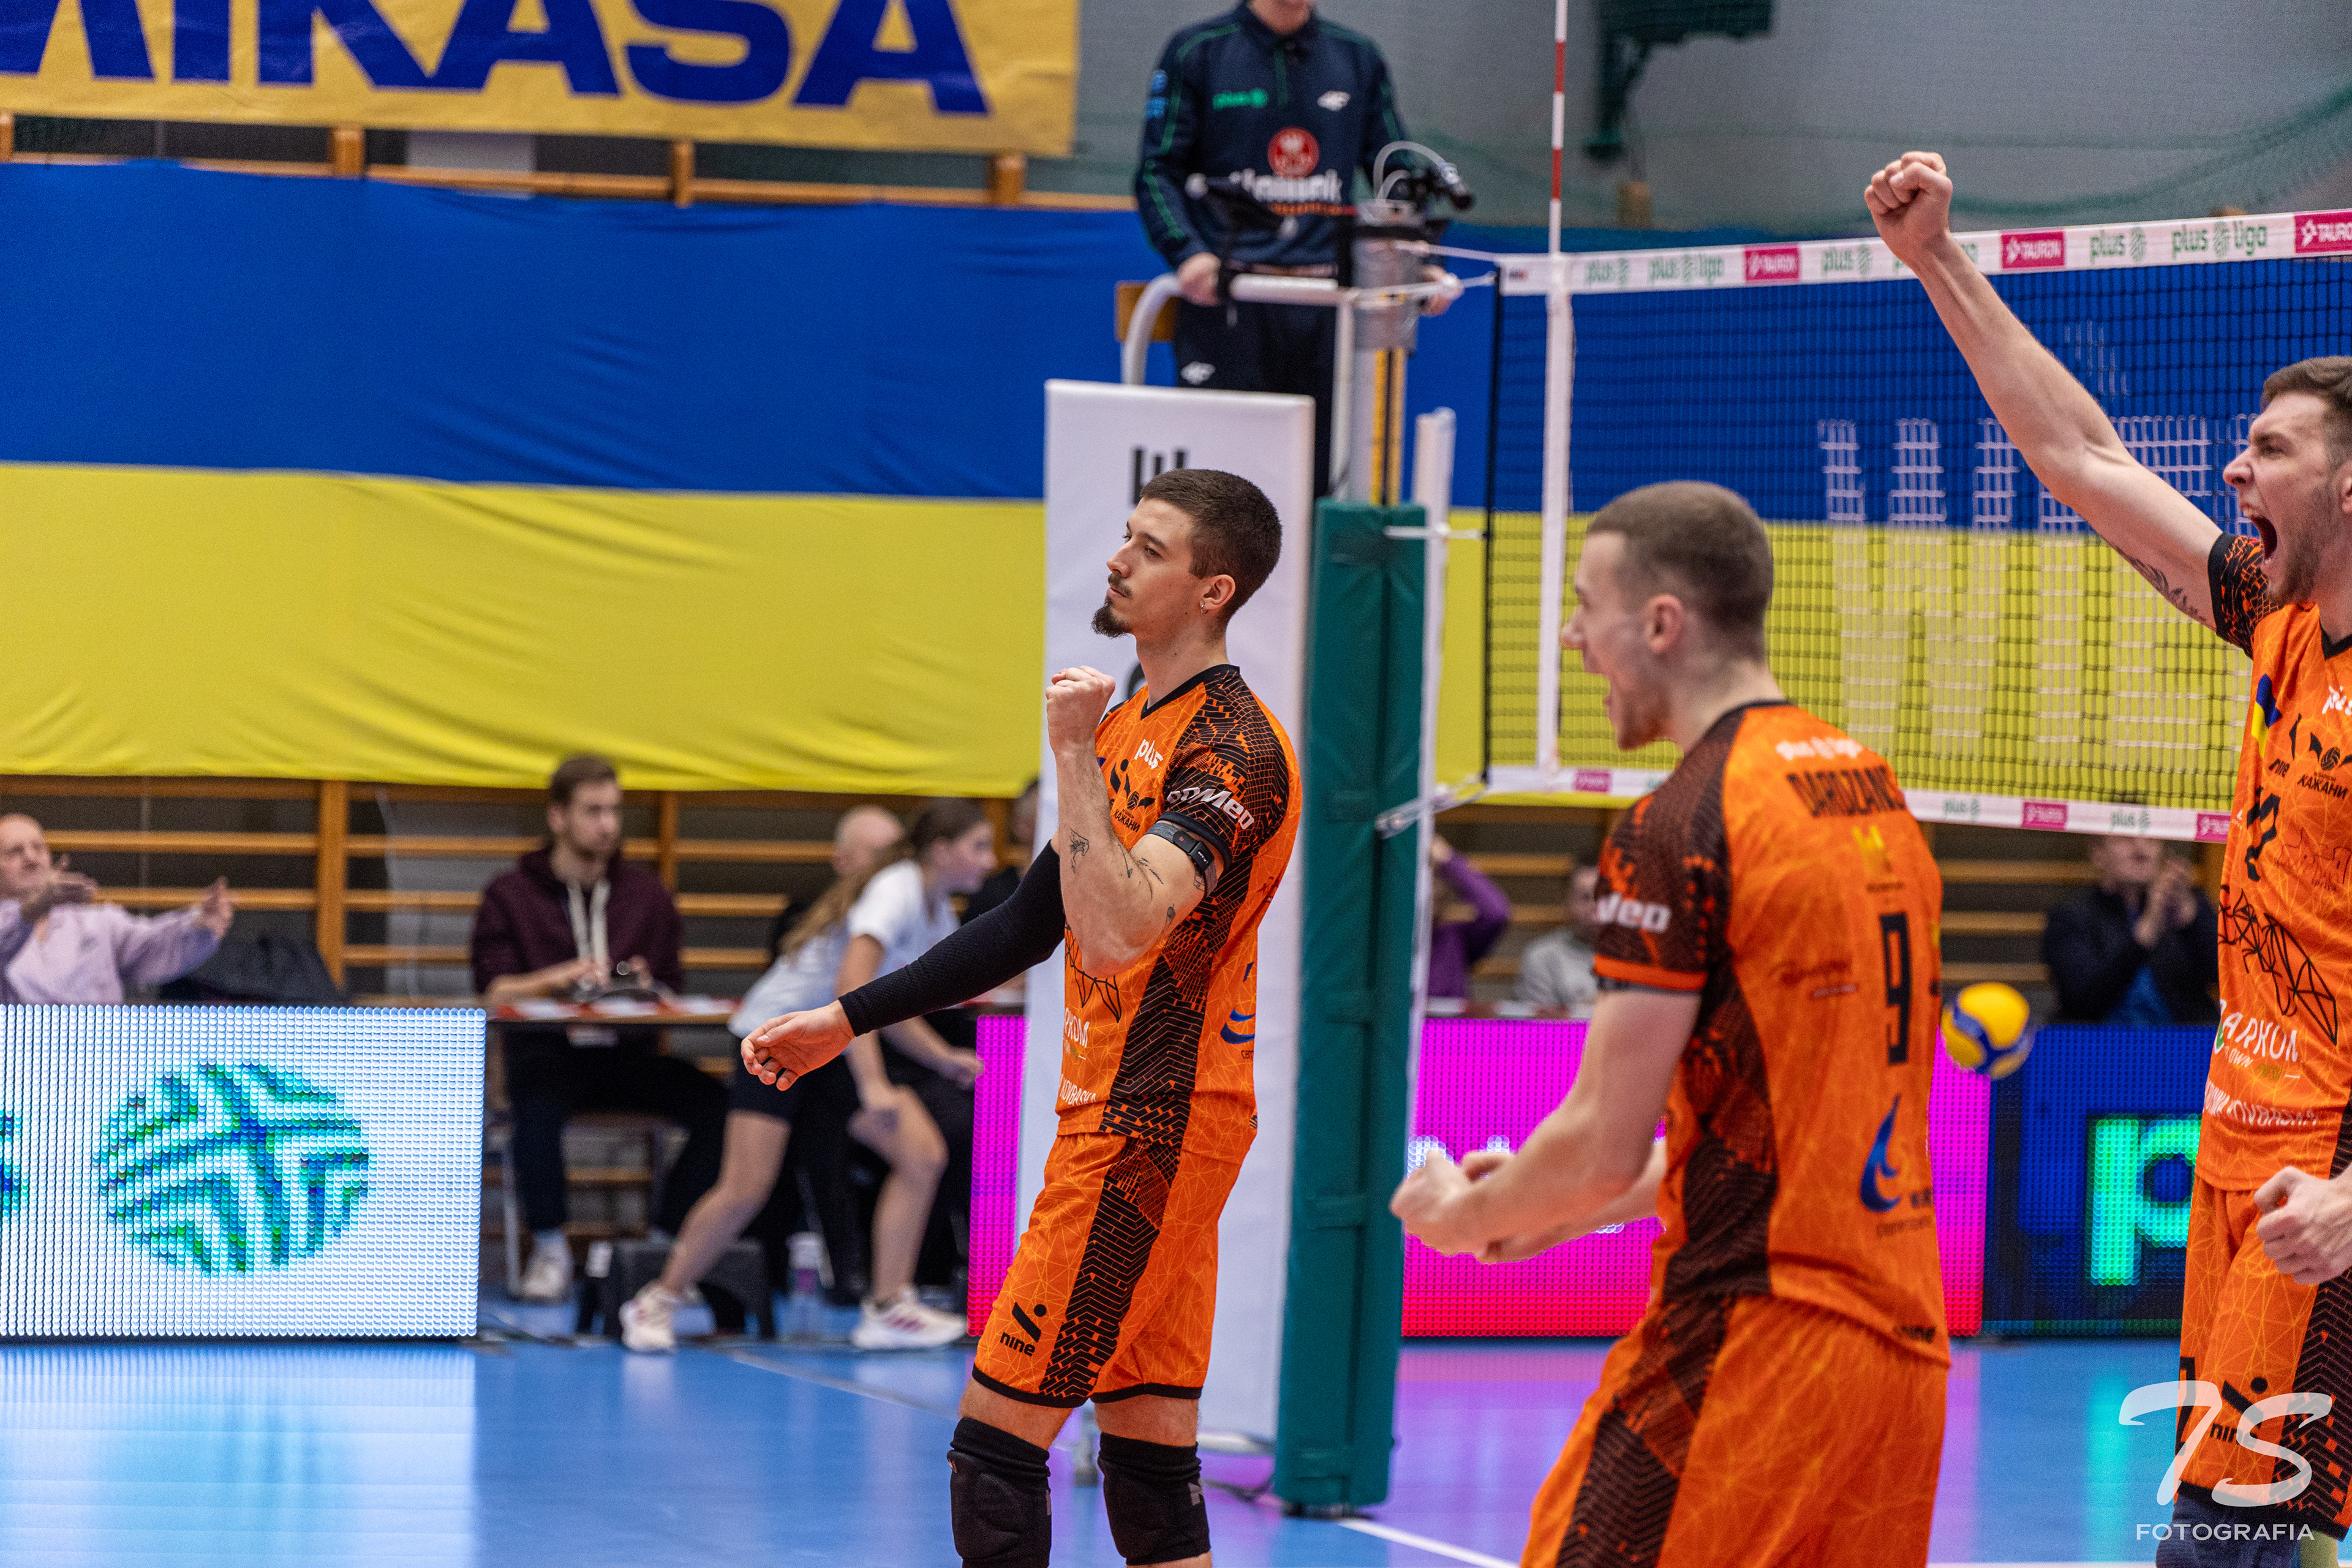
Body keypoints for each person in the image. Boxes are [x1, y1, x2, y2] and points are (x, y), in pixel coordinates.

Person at [1872, 150, 2352, 1562]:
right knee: (2250, 1527)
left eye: (2270, 447)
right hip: (2241, 1143)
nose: (2233, 466)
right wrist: (1938, 260)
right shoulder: (2278, 622)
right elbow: (2081, 461)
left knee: (2225, 1537)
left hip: (2326, 1170)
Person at [744, 467, 1300, 1568]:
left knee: (995, 1450)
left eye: (1150, 549)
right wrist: (847, 1019)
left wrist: (1071, 754)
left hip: (1154, 1124)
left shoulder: (1234, 751)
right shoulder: (1134, 720)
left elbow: (1121, 931)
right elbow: (1025, 926)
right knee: (1148, 1454)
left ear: (1213, 590)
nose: (1118, 560)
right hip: (1128, 1117)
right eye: (1126, 536)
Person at [1391, 483, 1950, 1565]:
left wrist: (1464, 1215)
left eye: (1584, 606)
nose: (1572, 638)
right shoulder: (1869, 785)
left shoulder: (1681, 820)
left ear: (1660, 623)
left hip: (1753, 1345)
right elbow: (1779, 1137)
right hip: (1899, 1358)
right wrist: (1550, 1213)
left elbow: (1599, 1140)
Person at [620, 801, 995, 1354]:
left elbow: (890, 1000)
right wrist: (873, 1085)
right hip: (777, 1037)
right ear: (941, 850)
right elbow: (854, 988)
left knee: (922, 1156)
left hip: (830, 1042)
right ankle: (658, 1300)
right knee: (746, 1188)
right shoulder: (896, 889)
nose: (990, 861)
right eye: (979, 847)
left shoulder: (936, 911)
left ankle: (889, 1307)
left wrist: (940, 1057)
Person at [1136, 0, 1437, 494]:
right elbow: (1157, 171)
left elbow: (1396, 175)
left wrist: (1419, 262)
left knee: (1325, 481)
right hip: (1231, 301)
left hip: (1329, 309)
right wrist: (1188, 253)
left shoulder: (1358, 56)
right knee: (1218, 491)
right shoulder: (1197, 50)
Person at [470, 753, 726, 1304]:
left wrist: (644, 986)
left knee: (722, 1108)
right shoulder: (510, 894)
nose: (607, 825)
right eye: (593, 811)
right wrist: (558, 979)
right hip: (550, 1055)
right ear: (558, 817)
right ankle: (550, 1250)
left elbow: (674, 990)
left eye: (614, 811)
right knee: (533, 1106)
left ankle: (663, 1248)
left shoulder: (647, 895)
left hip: (626, 1058)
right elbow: (495, 994)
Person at [0, 813, 233, 1002]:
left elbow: (153, 945)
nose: (31, 858)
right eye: (15, 851)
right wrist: (30, 910)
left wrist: (199, 924)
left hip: (98, 1044)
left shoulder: (97, 922)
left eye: (38, 848)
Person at [2042, 835, 2220, 1026]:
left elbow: (2230, 982)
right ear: (2098, 854)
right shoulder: (2070, 918)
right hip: (2100, 1042)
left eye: (2151, 840)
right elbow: (2081, 1001)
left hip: (2183, 1042)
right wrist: (2142, 939)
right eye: (2125, 839)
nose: (2141, 850)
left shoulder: (2189, 908)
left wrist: (2191, 922)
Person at [1425, 833, 1509, 1003]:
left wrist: (1449, 860)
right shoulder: (1389, 942)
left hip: (1448, 1022)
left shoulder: (1453, 938)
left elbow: (1496, 913)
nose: (1437, 890)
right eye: (1427, 880)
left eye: (1437, 878)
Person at [1517, 862, 1602, 1019]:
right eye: (1585, 898)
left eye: (1603, 897)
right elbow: (1540, 1026)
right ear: (1567, 902)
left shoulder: (1636, 956)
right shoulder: (1542, 957)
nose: (1595, 906)